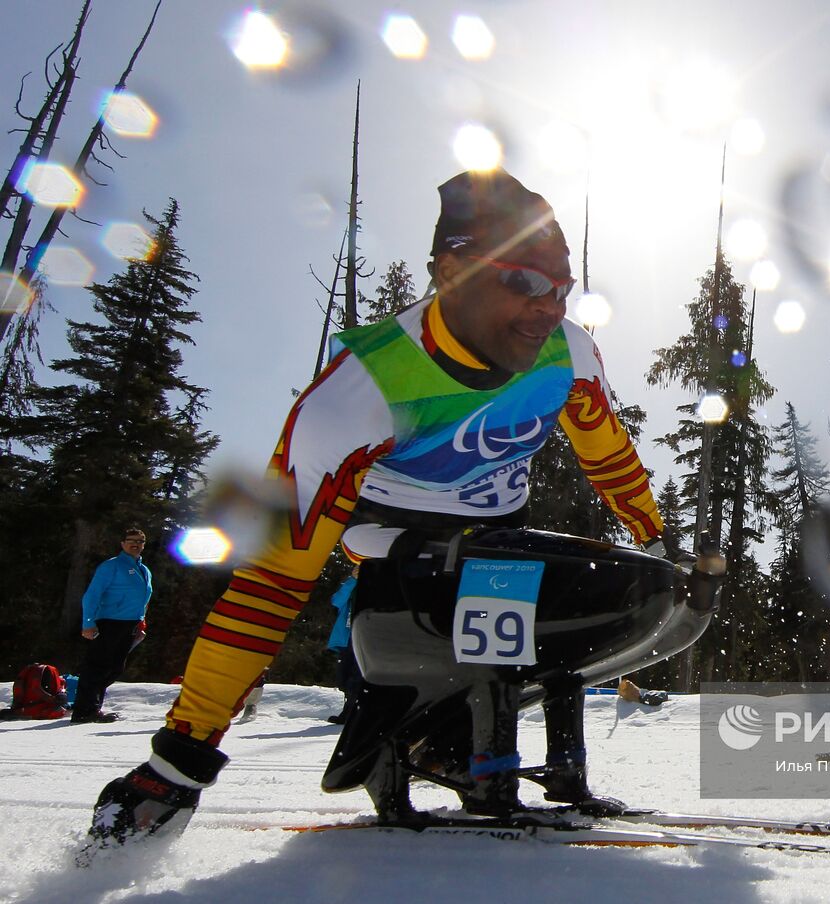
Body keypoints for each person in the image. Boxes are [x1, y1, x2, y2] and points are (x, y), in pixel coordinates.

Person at [84, 168, 690, 853]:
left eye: (561, 288)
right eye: (522, 281)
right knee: (500, 575)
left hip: (501, 540)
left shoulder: (568, 351)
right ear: (452, 271)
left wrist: (659, 537)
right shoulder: (356, 397)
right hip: (406, 570)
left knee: (647, 594)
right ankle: (417, 733)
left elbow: (606, 448)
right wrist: (179, 758)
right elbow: (269, 586)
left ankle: (450, 742)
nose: (548, 307)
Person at [71, 528, 152, 724]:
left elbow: (143, 598)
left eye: (140, 541)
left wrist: (141, 620)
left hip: (130, 624)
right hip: (109, 622)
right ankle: (83, 710)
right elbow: (92, 595)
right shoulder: (111, 566)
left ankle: (93, 705)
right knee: (97, 666)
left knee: (115, 667)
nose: (136, 544)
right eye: (131, 540)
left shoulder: (144, 569)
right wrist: (88, 623)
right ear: (122, 543)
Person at [325, 566, 359, 724]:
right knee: (343, 677)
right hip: (347, 636)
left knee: (356, 677)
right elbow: (337, 601)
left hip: (366, 636)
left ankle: (350, 713)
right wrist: (353, 579)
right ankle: (350, 709)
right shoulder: (351, 585)